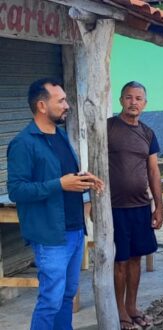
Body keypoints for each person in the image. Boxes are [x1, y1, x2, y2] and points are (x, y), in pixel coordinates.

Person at [7, 77, 104, 329]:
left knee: (66, 296)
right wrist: (59, 185)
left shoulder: (60, 135)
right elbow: (17, 190)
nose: (67, 105)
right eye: (60, 100)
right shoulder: (23, 143)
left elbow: (62, 175)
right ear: (41, 105)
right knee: (50, 299)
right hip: (51, 235)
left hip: (73, 229)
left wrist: (85, 179)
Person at [108, 81, 163, 330]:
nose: (133, 102)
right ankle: (119, 310)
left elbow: (153, 171)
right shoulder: (108, 128)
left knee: (135, 259)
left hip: (141, 206)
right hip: (115, 208)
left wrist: (159, 206)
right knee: (120, 260)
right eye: (129, 97)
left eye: (139, 98)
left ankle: (131, 306)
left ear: (145, 103)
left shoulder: (148, 133)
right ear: (121, 100)